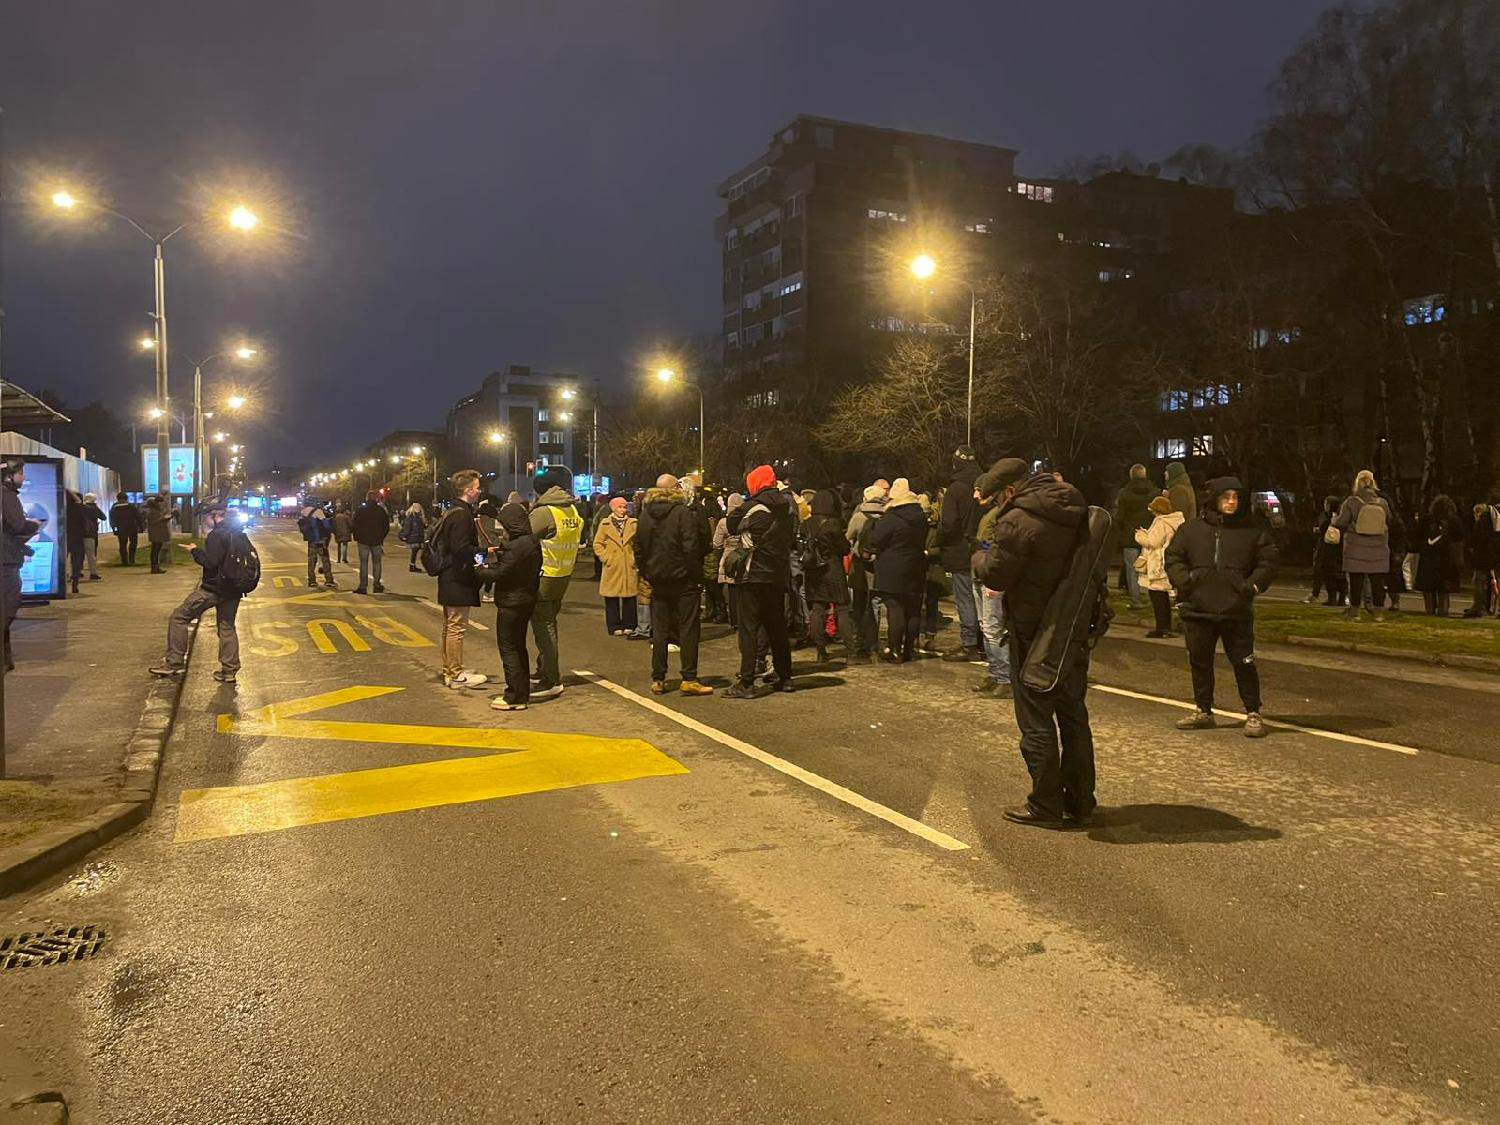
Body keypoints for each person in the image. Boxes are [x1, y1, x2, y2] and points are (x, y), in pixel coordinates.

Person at [973, 458, 1095, 827]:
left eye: (998, 498)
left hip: (1033, 627)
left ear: (1010, 490)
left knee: (1035, 717)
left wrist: (978, 557)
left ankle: (1045, 803)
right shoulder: (1074, 508)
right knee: (1073, 714)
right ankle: (1080, 800)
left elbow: (997, 574)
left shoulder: (1017, 520)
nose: (999, 504)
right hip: (1071, 624)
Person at [1165, 476, 1278, 738]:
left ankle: (1253, 712)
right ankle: (1203, 710)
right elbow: (1174, 557)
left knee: (1244, 662)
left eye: (1235, 497)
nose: (1231, 502)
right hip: (1197, 608)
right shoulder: (1191, 530)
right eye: (1226, 497)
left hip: (1235, 609)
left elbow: (1268, 560)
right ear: (1214, 499)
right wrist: (1185, 581)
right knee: (1200, 662)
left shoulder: (1252, 530)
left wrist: (1251, 586)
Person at [148, 502, 246, 683]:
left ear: (215, 516)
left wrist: (195, 551)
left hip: (213, 589)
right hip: (233, 589)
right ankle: (229, 671)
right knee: (227, 627)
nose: (203, 521)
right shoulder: (238, 533)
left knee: (179, 617)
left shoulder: (216, 535)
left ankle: (174, 663)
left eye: (205, 517)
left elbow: (211, 563)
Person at [636, 474, 713, 696]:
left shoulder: (645, 515)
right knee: (688, 628)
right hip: (683, 579)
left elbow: (638, 548)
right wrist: (696, 576)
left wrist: (647, 572)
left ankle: (658, 678)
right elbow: (690, 547)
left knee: (660, 629)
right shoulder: (682, 513)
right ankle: (689, 678)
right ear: (675, 489)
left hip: (657, 579)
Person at [725, 464, 795, 698]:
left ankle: (746, 682)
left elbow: (732, 525)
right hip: (777, 574)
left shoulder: (751, 507)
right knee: (777, 627)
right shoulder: (788, 507)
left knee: (749, 630)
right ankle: (785, 677)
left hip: (752, 574)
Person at [528, 466, 583, 701]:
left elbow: (523, 538)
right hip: (563, 574)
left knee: (544, 627)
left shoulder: (544, 512)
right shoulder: (571, 509)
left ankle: (551, 679)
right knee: (550, 624)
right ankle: (544, 669)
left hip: (545, 575)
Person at [434, 470, 488, 690]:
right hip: (457, 576)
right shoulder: (462, 515)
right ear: (468, 490)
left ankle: (450, 669)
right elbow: (460, 549)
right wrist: (483, 553)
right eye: (477, 487)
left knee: (450, 625)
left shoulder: (452, 510)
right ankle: (456, 674)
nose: (479, 491)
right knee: (456, 626)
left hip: (450, 576)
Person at [487, 501, 542, 711]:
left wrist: (479, 570)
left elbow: (500, 573)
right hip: (526, 599)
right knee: (519, 647)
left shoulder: (515, 546)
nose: (502, 531)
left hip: (511, 601)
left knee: (509, 648)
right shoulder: (532, 542)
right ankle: (522, 693)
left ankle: (514, 696)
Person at [866, 478, 928, 663]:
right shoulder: (920, 517)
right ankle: (910, 649)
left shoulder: (891, 518)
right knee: (913, 609)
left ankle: (894, 650)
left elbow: (876, 540)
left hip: (892, 567)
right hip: (916, 565)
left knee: (895, 608)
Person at [936, 447, 984, 662]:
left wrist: (940, 542)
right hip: (985, 549)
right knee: (983, 600)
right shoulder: (985, 485)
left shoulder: (956, 489)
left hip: (961, 551)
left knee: (965, 599)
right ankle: (986, 643)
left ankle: (969, 644)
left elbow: (948, 523)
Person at [967, 485, 1012, 695]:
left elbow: (1002, 546)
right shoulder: (986, 513)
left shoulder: (1001, 513)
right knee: (986, 627)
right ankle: (995, 674)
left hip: (991, 576)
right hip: (980, 574)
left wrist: (982, 549)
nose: (976, 495)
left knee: (993, 629)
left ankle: (1004, 678)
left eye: (979, 489)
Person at [803, 489, 855, 664]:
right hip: (833, 569)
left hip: (814, 570)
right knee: (842, 609)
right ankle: (851, 651)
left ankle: (821, 651)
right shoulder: (833, 524)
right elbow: (844, 548)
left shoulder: (806, 524)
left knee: (817, 609)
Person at [1333, 469, 1391, 620]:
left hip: (1356, 546)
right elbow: (1389, 520)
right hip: (1379, 546)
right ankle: (1378, 612)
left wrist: (1334, 520)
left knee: (1356, 579)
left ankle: (1355, 612)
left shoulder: (1351, 502)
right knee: (1377, 580)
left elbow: (1341, 522)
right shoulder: (1382, 503)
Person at [2, 459, 41, 672]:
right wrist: (33, 525)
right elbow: (17, 525)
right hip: (6, 563)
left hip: (7, 557)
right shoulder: (7, 496)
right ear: (9, 476)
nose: (23, 477)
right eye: (21, 473)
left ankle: (6, 660)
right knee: (7, 610)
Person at [846, 483, 887, 663]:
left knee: (859, 606)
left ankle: (858, 644)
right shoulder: (887, 516)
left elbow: (848, 537)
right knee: (875, 605)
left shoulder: (858, 516)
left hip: (860, 567)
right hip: (880, 566)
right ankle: (874, 645)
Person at [1134, 494, 1183, 637]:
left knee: (1158, 597)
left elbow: (1153, 542)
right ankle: (1165, 628)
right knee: (1164, 597)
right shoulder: (1177, 521)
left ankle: (1162, 628)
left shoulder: (1161, 522)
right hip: (1168, 561)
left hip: (1158, 564)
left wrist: (1140, 535)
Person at [592, 495, 639, 635]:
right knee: (611, 597)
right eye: (620, 507)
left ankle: (630, 624)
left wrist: (634, 558)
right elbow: (597, 544)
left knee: (629, 597)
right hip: (613, 565)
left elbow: (639, 543)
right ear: (613, 508)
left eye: (624, 507)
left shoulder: (633, 523)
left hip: (628, 563)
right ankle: (614, 625)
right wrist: (606, 558)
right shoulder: (605, 524)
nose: (623, 510)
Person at [1114, 464, 1156, 611]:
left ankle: (1136, 600)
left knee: (1131, 569)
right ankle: (1153, 598)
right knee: (1151, 568)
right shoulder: (1154, 493)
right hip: (1149, 535)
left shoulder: (1124, 494)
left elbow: (1119, 516)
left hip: (1130, 535)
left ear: (1131, 475)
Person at [1414, 494, 1462, 617]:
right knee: (1444, 587)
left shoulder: (1426, 519)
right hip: (1446, 557)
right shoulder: (1453, 520)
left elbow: (1417, 536)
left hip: (1428, 556)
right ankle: (1443, 609)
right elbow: (1459, 537)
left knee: (1428, 586)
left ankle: (1429, 609)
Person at [1308, 495, 1346, 606]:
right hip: (1340, 547)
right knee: (1339, 573)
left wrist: (1318, 529)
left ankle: (1332, 597)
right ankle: (1341, 598)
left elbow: (1322, 528)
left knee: (1329, 573)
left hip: (1327, 547)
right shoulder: (1342, 516)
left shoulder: (1326, 516)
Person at [352, 490, 391, 594]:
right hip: (377, 540)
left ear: (366, 498)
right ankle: (376, 585)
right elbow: (386, 526)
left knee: (363, 563)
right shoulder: (380, 510)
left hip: (363, 540)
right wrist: (381, 537)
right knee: (377, 563)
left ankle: (363, 586)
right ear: (376, 499)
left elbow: (355, 525)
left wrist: (357, 537)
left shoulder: (360, 510)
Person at [1463, 501, 1499, 618]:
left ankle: (1478, 608)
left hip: (1484, 555)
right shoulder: (1494, 517)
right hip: (1494, 553)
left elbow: (1477, 538)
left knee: (1479, 581)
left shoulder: (1485, 519)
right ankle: (1489, 608)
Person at [714, 493, 744, 630]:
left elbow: (717, 543)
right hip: (743, 555)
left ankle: (734, 620)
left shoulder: (723, 522)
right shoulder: (747, 520)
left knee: (732, 590)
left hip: (729, 557)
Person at [299, 505, 336, 588]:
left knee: (311, 561)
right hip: (321, 541)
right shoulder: (319, 511)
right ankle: (329, 580)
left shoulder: (304, 512)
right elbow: (326, 525)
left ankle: (312, 581)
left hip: (311, 541)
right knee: (325, 560)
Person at [78, 492, 106, 582]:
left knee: (78, 554)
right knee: (91, 555)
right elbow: (103, 517)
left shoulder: (79, 508)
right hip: (90, 534)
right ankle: (93, 573)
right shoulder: (94, 508)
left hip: (78, 534)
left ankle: (78, 571)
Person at [109, 492, 142, 566]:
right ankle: (132, 560)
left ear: (117, 498)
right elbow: (138, 517)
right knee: (133, 543)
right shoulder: (131, 506)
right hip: (132, 527)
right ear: (126, 498)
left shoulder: (114, 507)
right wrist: (141, 527)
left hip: (121, 528)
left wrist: (114, 529)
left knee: (122, 544)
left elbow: (112, 519)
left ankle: (124, 561)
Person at [65, 491, 88, 594]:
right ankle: (75, 583)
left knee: (61, 560)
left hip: (64, 538)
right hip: (77, 538)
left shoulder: (61, 509)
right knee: (76, 561)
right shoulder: (79, 509)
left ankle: (61, 583)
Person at [145, 495, 173, 573]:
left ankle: (155, 567)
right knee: (155, 550)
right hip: (156, 533)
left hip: (158, 532)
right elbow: (154, 521)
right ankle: (154, 567)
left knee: (156, 549)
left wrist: (165, 517)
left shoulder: (155, 510)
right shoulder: (153, 510)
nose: (162, 504)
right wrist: (165, 518)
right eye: (162, 502)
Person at [400, 502, 427, 572]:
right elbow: (407, 527)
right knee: (415, 551)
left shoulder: (419, 517)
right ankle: (412, 566)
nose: (418, 509)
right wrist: (405, 536)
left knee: (415, 552)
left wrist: (424, 523)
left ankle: (412, 565)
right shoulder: (411, 517)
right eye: (417, 507)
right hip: (414, 537)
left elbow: (423, 527)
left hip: (418, 537)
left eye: (419, 508)